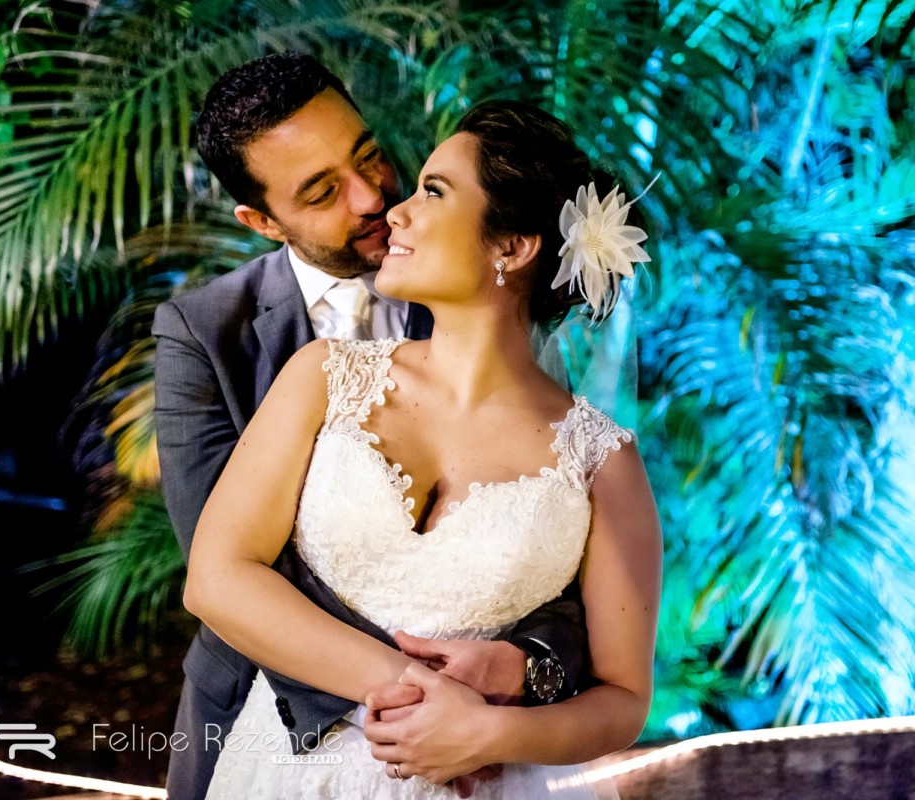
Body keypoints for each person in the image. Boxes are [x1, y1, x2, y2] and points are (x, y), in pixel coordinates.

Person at [184, 99, 662, 798]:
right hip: (286, 770)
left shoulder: (602, 460)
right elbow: (217, 577)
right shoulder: (323, 378)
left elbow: (623, 700)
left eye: (433, 192)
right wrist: (417, 693)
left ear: (513, 247)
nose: (394, 212)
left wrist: (493, 733)